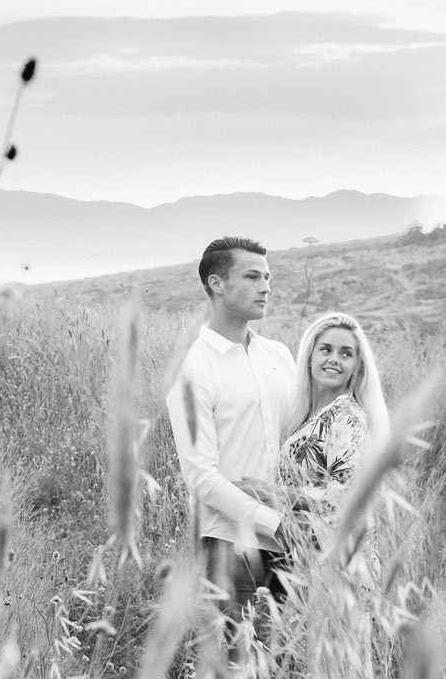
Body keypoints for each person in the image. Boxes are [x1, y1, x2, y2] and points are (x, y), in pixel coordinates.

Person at [165, 236, 296, 654]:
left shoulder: (279, 356)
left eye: (268, 277)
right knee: (233, 659)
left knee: (291, 657)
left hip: (296, 539)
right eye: (253, 276)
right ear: (217, 284)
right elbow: (201, 477)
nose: (266, 287)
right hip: (228, 546)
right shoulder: (193, 368)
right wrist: (273, 522)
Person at [275, 311, 389, 676]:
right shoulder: (311, 414)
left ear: (357, 367)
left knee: (336, 664)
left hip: (337, 560)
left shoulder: (347, 416)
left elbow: (348, 495)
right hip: (311, 557)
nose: (333, 360)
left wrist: (276, 495)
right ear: (309, 354)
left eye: (345, 353)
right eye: (325, 349)